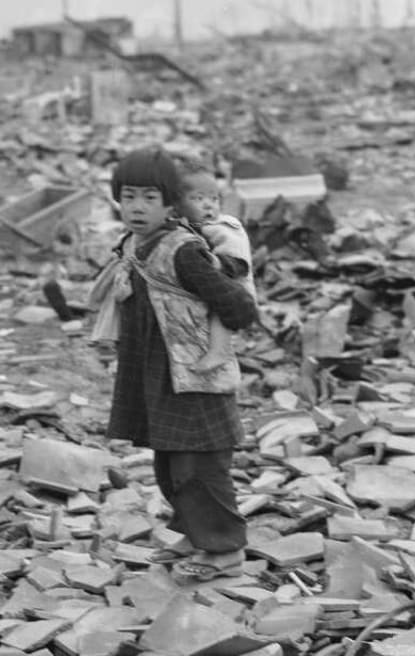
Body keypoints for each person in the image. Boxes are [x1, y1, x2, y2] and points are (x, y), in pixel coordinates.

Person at [100, 147, 258, 582]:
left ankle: (225, 550)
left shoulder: (184, 251)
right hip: (158, 376)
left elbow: (240, 308)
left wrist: (216, 343)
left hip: (195, 375)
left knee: (200, 467)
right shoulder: (135, 244)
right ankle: (195, 535)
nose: (136, 207)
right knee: (170, 466)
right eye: (128, 196)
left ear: (172, 202)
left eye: (149, 198)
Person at [173, 158, 257, 372]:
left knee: (220, 316)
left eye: (214, 199)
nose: (209, 204)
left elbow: (239, 260)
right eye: (198, 199)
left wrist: (219, 263)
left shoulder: (224, 227)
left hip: (235, 288)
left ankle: (219, 352)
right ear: (177, 204)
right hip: (215, 287)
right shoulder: (192, 227)